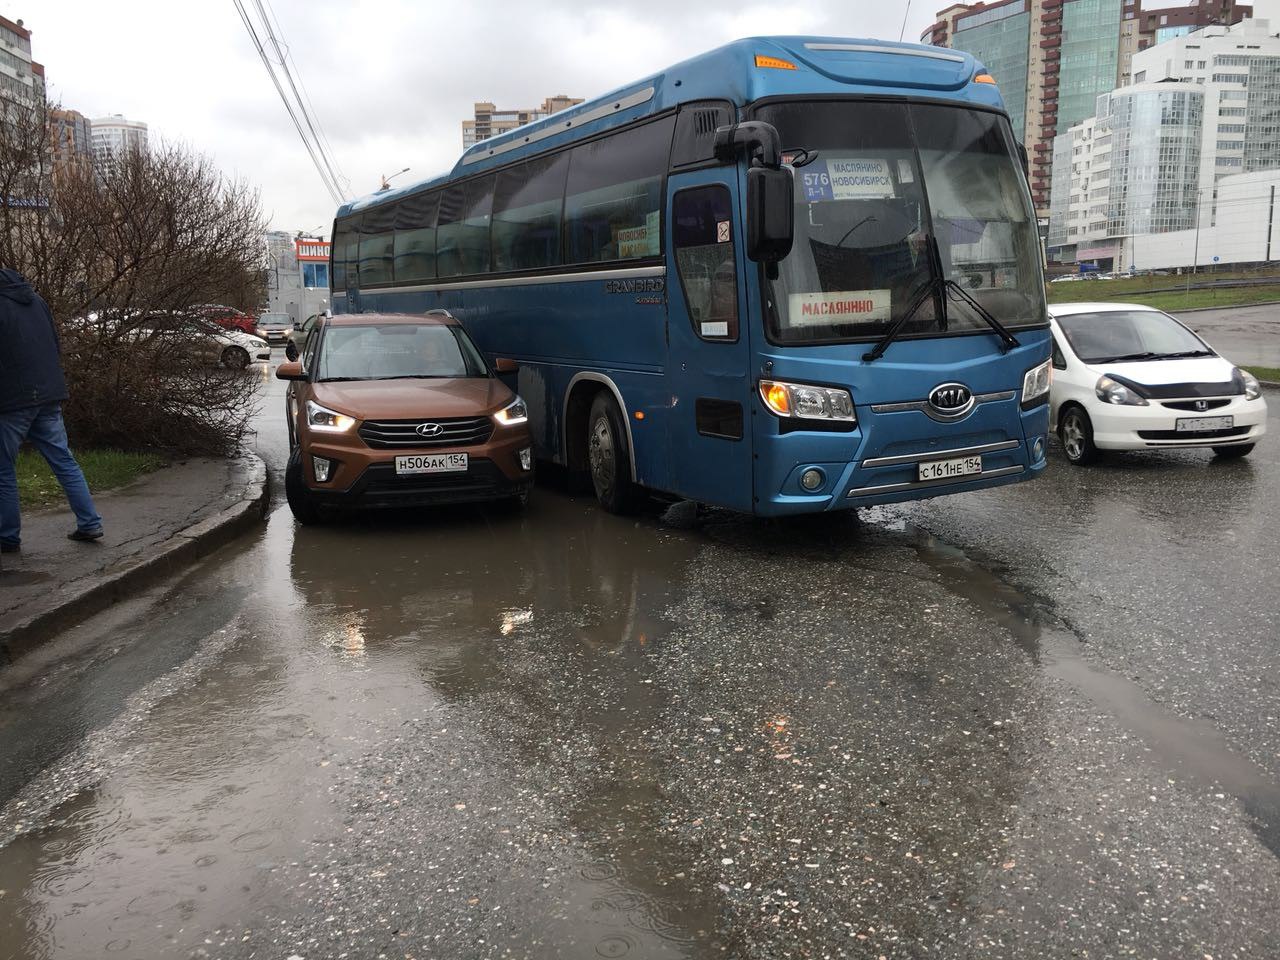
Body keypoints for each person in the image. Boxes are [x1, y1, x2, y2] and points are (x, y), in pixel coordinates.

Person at [0, 269, 103, 553]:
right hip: (48, 392)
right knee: (62, 459)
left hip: (11, 400)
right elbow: (55, 344)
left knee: (3, 469)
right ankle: (90, 523)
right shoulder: (35, 299)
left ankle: (8, 536)